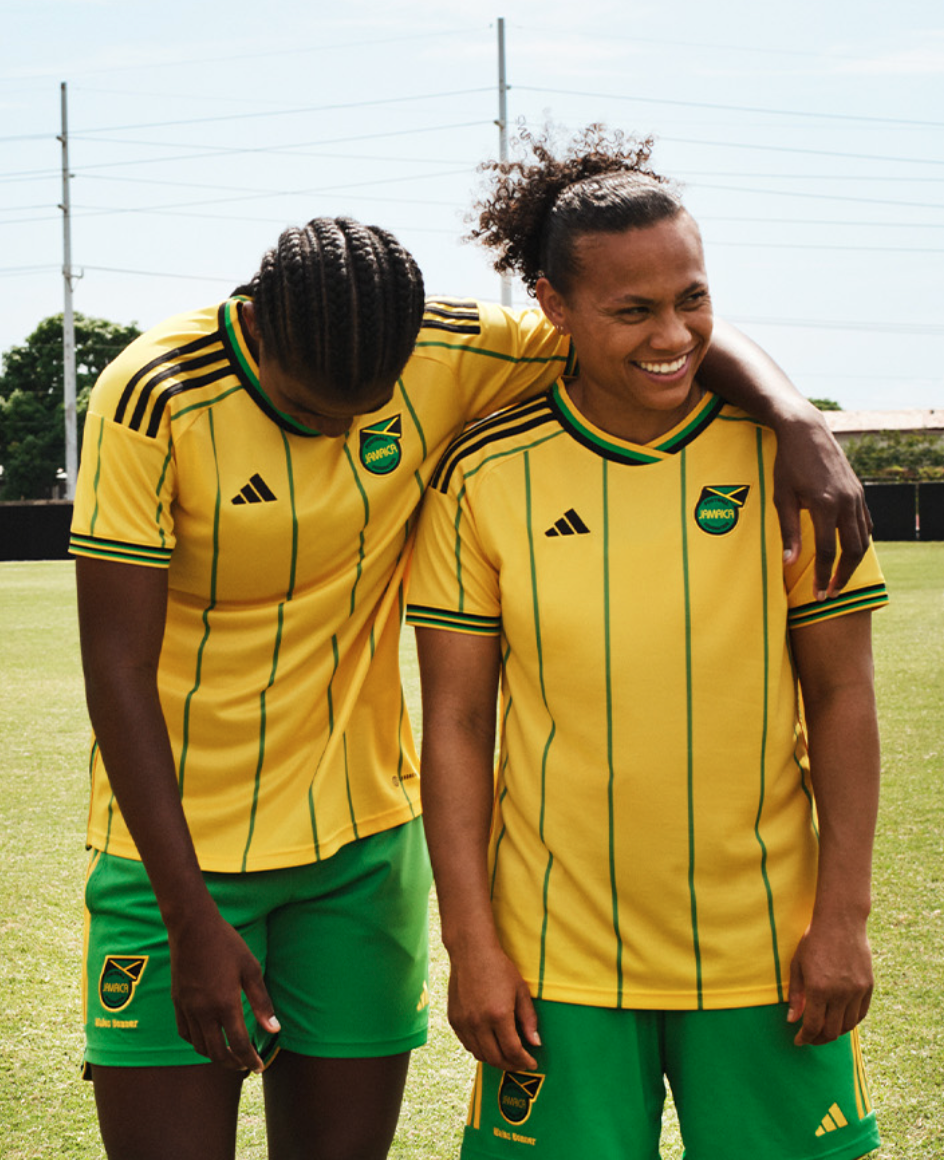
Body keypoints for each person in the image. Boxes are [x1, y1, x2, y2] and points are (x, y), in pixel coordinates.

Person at [69, 214, 872, 1160]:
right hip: (174, 856)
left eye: (369, 407)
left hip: (362, 848)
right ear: (260, 330)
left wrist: (794, 415)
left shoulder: (443, 347)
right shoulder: (153, 394)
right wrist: (188, 917)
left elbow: (647, 326)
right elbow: (116, 668)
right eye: (314, 408)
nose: (343, 430)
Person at [409, 126, 886, 1160]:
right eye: (632, 311)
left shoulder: (789, 467)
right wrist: (471, 944)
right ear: (552, 307)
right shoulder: (481, 474)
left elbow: (844, 697)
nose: (672, 334)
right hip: (556, 955)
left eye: (692, 299)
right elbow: (455, 722)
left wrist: (843, 919)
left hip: (768, 947)